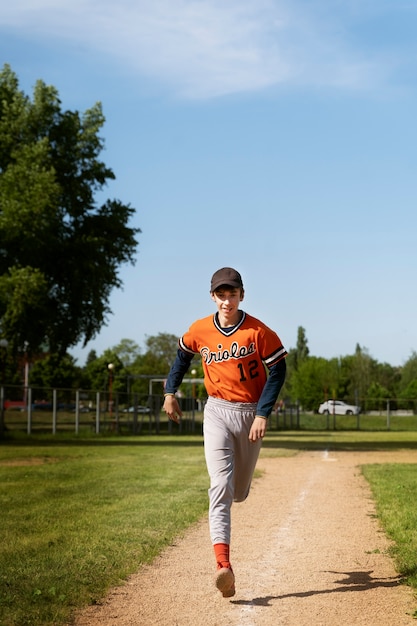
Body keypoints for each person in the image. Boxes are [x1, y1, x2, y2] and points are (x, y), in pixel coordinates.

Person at [163, 267, 287, 598]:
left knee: (239, 491)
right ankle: (223, 567)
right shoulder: (200, 329)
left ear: (241, 295)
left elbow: (278, 370)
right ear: (212, 297)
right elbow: (182, 357)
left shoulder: (258, 331)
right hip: (216, 410)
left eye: (232, 294)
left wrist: (263, 413)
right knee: (219, 487)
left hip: (249, 414)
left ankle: (235, 500)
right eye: (221, 294)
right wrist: (169, 392)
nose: (227, 300)